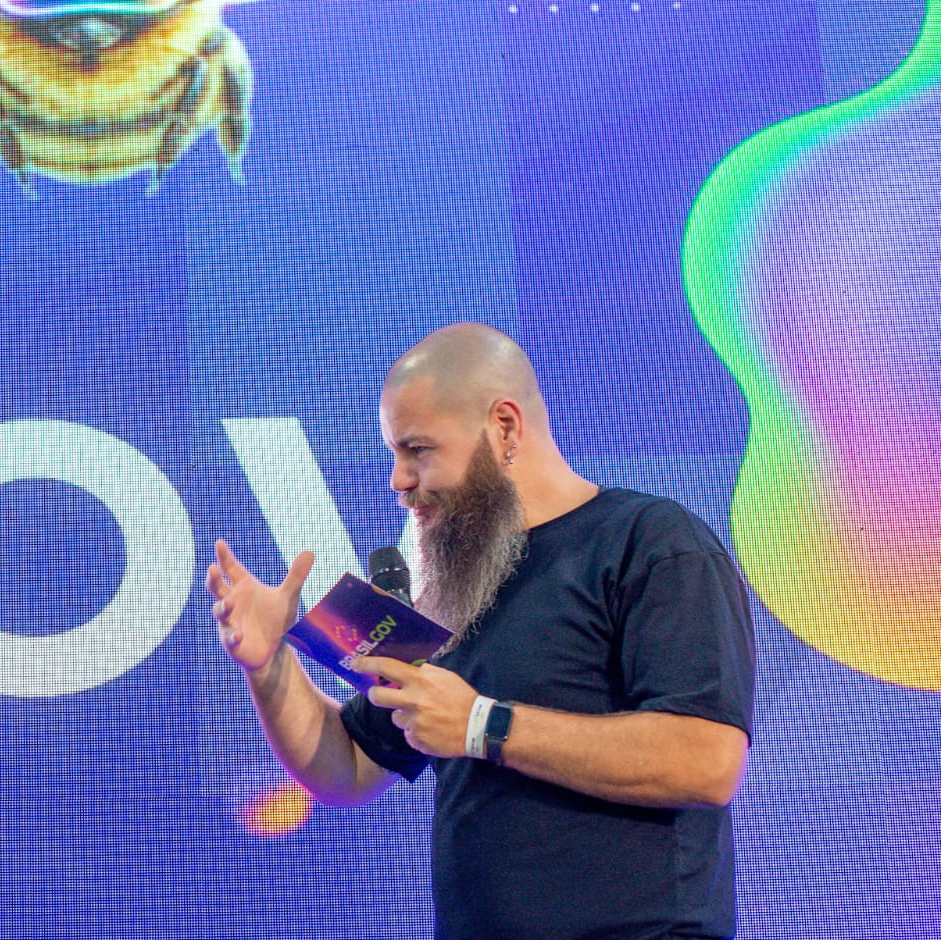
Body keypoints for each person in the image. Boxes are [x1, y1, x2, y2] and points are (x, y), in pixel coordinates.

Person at [208, 323, 754, 939]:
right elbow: (349, 768)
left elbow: (706, 759)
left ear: (504, 428)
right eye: (394, 453)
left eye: (418, 449)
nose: (398, 480)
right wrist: (269, 663)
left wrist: (482, 726)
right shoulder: (457, 582)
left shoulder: (650, 542)